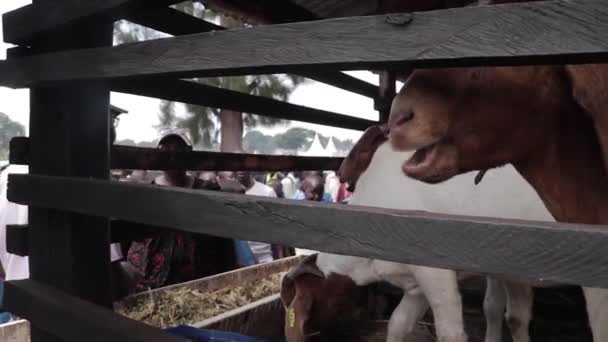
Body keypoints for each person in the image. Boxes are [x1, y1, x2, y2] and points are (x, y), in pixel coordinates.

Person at [0, 105, 132, 323]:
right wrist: (130, 275)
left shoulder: (6, 178)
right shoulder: (90, 183)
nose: (111, 138)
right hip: (73, 319)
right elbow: (111, 281)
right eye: (108, 128)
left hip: (21, 314)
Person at [126, 129, 235, 291]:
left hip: (200, 285)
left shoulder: (207, 190)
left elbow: (224, 240)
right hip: (154, 285)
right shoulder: (147, 194)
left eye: (178, 149)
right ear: (156, 156)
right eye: (165, 150)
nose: (172, 155)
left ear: (189, 153)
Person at [235, 171, 277, 265]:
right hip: (239, 261)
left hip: (263, 258)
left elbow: (277, 227)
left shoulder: (267, 192)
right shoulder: (227, 191)